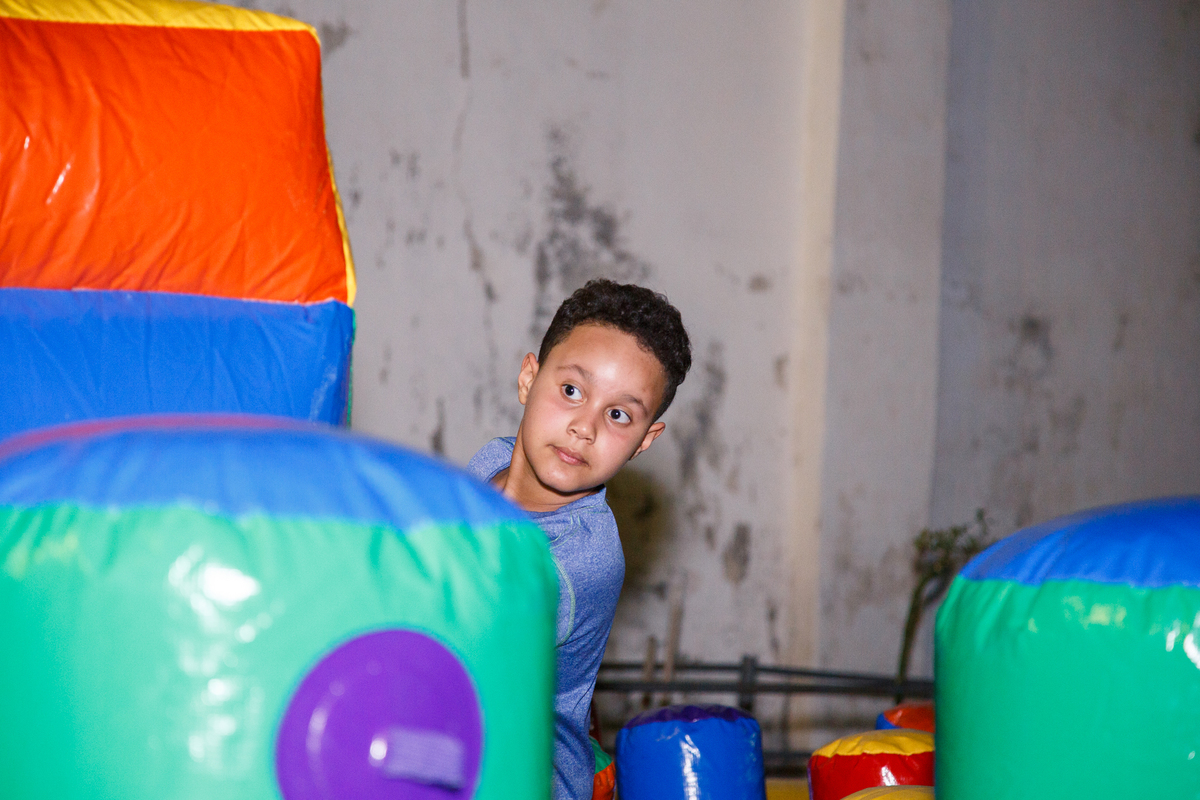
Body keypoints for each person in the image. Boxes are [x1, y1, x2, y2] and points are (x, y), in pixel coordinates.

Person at [467, 279, 691, 800]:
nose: (583, 428)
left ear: (644, 440)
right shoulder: (491, 459)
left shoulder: (578, 559)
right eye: (571, 391)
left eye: (618, 415)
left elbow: (467, 643)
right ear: (529, 379)